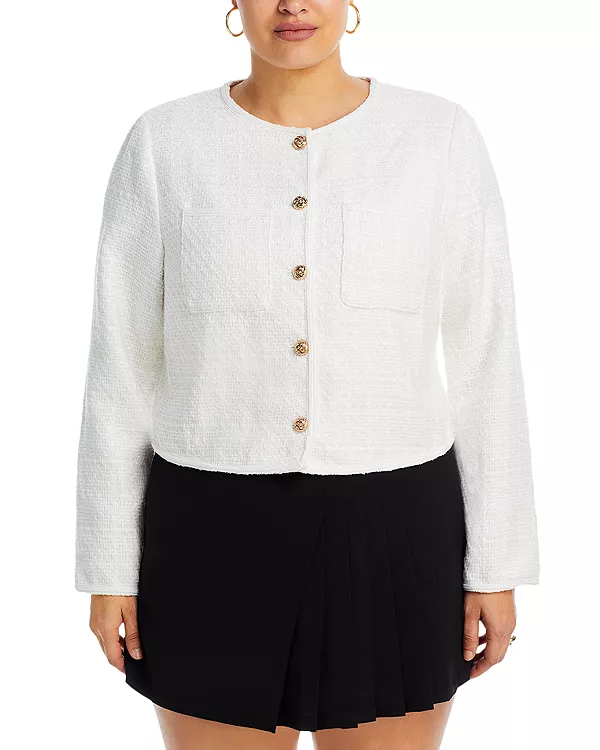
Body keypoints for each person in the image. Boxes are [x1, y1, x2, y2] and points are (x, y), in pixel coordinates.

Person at [74, 2, 541, 749]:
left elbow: (487, 358)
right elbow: (120, 368)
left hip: (396, 529)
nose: (292, 4)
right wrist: (108, 568)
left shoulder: (439, 137)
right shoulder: (164, 143)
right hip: (207, 530)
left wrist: (497, 564)